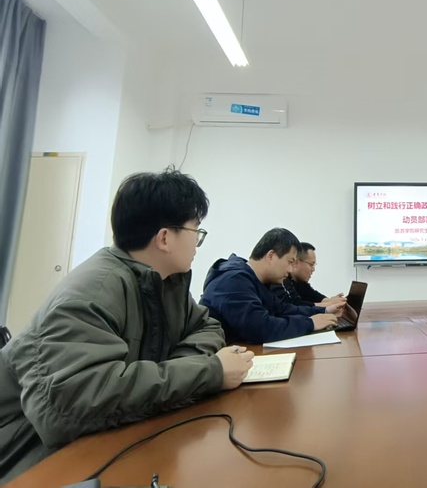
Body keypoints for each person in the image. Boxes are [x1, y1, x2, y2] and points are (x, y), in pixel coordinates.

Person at [0, 169, 254, 483]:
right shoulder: (94, 291)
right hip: (27, 457)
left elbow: (207, 327)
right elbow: (70, 407)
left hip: (103, 438)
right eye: (195, 231)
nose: (197, 243)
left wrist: (180, 370)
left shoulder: (165, 283)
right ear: (164, 238)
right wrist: (210, 371)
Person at [200, 228, 341, 344]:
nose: (290, 270)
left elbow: (283, 309)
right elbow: (260, 328)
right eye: (289, 262)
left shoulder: (253, 279)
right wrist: (310, 323)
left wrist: (324, 311)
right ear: (271, 256)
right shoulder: (233, 281)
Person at [270, 242, 346, 309]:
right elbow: (294, 306)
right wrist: (329, 304)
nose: (313, 269)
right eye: (311, 265)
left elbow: (313, 295)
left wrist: (331, 301)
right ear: (296, 262)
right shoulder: (282, 279)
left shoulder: (299, 281)